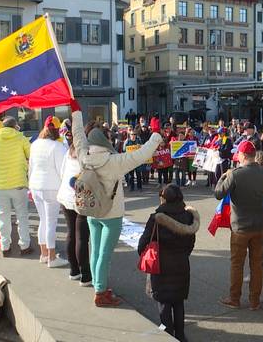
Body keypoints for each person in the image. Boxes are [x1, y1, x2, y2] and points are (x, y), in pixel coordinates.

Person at [70, 99, 163, 307]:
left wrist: (76, 113)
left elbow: (78, 136)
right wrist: (155, 135)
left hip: (92, 211)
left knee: (95, 249)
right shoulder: (116, 161)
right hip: (112, 214)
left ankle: (97, 284)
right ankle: (101, 293)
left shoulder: (84, 157)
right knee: (104, 253)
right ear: (106, 142)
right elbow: (143, 154)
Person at [215, 141, 263, 311]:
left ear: (242, 155)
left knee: (237, 264)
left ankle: (235, 298)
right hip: (259, 225)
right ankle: (255, 301)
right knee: (256, 264)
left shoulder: (235, 174)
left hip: (240, 226)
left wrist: (223, 176)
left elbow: (218, 194)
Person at [138, 184, 199, 342]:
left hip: (161, 266)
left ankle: (167, 334)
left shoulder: (156, 218)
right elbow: (191, 243)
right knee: (178, 302)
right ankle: (180, 334)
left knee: (164, 303)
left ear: (164, 198)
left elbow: (143, 244)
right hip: (182, 264)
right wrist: (183, 255)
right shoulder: (188, 217)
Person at [0, 117, 32, 256]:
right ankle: (24, 246)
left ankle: (5, 246)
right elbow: (31, 156)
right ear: (15, 126)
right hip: (18, 183)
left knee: (3, 217)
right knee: (22, 216)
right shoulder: (21, 138)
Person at [29, 116, 68, 267]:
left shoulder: (35, 144)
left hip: (36, 186)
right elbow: (62, 171)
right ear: (57, 130)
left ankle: (44, 254)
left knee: (43, 221)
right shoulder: (58, 147)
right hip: (52, 187)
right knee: (51, 222)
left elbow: (31, 167)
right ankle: (52, 257)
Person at [57, 121, 91, 286]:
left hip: (65, 197)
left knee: (71, 233)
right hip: (79, 199)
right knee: (82, 238)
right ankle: (85, 274)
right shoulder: (85, 154)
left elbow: (62, 172)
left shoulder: (69, 151)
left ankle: (74, 270)